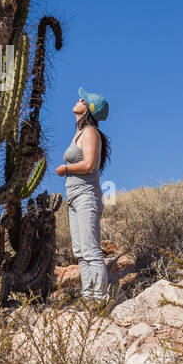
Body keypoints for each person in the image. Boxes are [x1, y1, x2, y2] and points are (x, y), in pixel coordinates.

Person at [56, 88, 112, 300]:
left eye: (83, 99)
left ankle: (100, 299)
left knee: (90, 250)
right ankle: (88, 297)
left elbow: (89, 165)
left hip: (86, 195)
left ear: (89, 108)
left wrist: (66, 169)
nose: (79, 99)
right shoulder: (80, 133)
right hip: (75, 196)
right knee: (80, 251)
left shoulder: (90, 132)